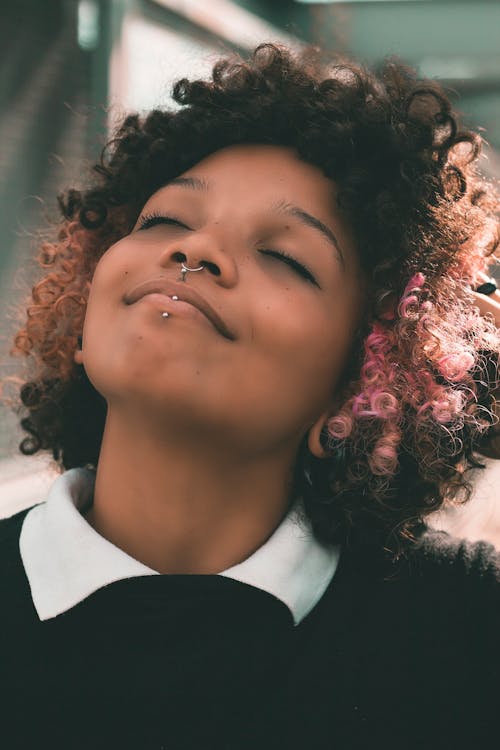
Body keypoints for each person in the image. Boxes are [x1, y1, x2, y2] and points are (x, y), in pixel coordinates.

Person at [1, 41, 500, 749]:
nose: (195, 251)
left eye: (285, 255)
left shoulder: (468, 628)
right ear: (85, 307)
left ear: (364, 383)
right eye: (165, 220)